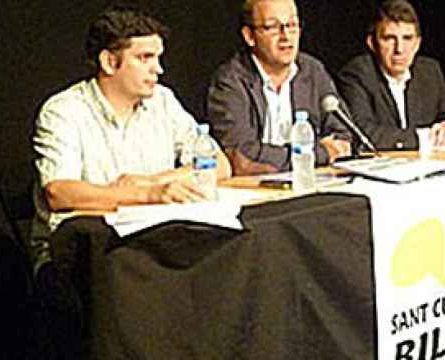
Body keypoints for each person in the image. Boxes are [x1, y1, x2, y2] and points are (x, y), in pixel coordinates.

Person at [30, 5, 231, 274]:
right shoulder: (63, 111)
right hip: (81, 257)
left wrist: (154, 182)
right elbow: (59, 192)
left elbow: (219, 165)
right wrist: (147, 194)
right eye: (145, 58)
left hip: (151, 245)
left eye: (158, 58)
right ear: (109, 62)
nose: (157, 69)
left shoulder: (163, 100)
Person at [206, 0, 352, 176]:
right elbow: (241, 155)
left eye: (291, 25)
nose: (286, 36)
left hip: (310, 180)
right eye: (272, 27)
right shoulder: (230, 81)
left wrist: (330, 150)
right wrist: (320, 154)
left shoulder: (312, 70)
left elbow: (342, 135)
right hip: (255, 187)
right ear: (249, 36)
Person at [336, 0, 445, 150]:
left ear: (417, 44)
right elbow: (361, 133)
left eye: (407, 38)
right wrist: (426, 137)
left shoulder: (428, 71)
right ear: (372, 43)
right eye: (389, 39)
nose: (399, 49)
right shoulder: (357, 74)